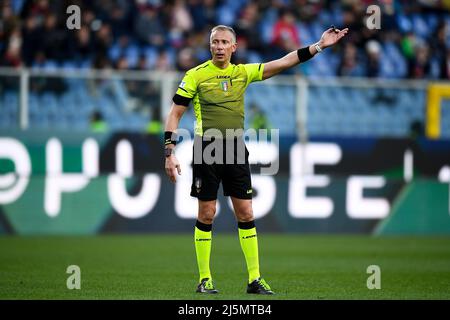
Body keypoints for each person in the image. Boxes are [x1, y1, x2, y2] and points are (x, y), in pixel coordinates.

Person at [164, 25, 348, 295]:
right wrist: (169, 152)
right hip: (207, 149)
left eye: (224, 42)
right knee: (207, 213)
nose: (219, 47)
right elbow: (175, 114)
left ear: (233, 47)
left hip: (236, 149)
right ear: (210, 45)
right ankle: (205, 279)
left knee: (246, 213)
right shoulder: (195, 75)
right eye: (215, 42)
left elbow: (284, 62)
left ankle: (254, 279)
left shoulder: (243, 73)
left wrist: (318, 46)